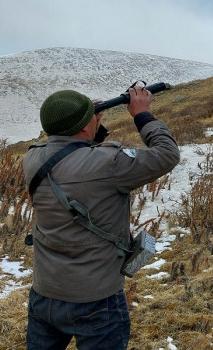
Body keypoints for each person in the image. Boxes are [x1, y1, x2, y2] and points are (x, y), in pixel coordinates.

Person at [23, 85, 180, 350]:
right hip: (96, 299)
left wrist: (88, 123)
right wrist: (142, 114)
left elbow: (75, 155)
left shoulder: (32, 157)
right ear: (84, 127)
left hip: (45, 293)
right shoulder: (110, 164)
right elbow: (166, 154)